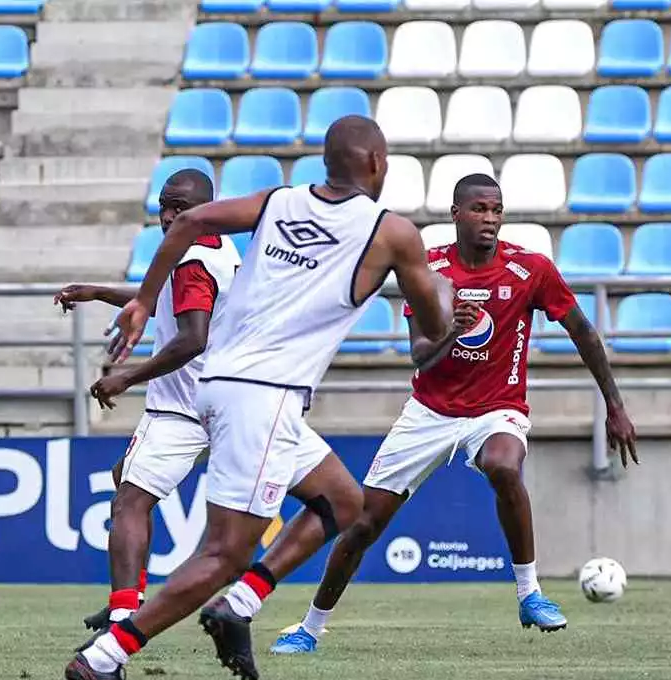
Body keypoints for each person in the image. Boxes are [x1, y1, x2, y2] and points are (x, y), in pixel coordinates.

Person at [64, 115, 454, 680]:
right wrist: (448, 304)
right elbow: (432, 331)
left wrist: (145, 298)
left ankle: (240, 604)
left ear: (327, 162)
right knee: (224, 553)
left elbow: (192, 221)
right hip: (264, 394)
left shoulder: (279, 201)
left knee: (344, 501)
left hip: (225, 383)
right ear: (377, 164)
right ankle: (104, 658)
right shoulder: (392, 232)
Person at [266, 173, 638, 654]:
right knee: (362, 523)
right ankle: (309, 628)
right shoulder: (431, 270)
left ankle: (530, 593)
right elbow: (420, 354)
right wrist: (449, 331)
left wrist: (615, 405)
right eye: (480, 209)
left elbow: (584, 332)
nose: (490, 219)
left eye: (497, 210)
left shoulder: (531, 270)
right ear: (456, 213)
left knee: (504, 465)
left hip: (497, 408)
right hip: (429, 411)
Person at [53, 169, 239, 635]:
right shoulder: (219, 250)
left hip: (183, 408)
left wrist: (126, 378)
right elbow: (171, 304)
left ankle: (122, 619)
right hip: (225, 399)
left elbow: (192, 338)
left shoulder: (190, 261)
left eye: (181, 207)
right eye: (164, 206)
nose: (170, 216)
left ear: (206, 209)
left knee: (128, 502)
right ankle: (129, 601)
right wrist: (97, 292)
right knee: (125, 479)